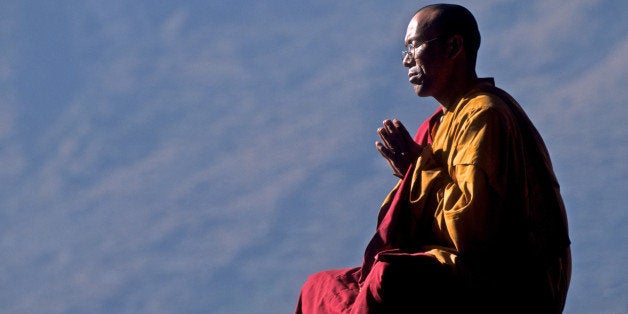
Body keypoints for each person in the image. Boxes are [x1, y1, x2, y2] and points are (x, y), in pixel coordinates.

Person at [295, 3, 571, 313]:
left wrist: (419, 169)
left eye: (413, 46)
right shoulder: (440, 123)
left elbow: (470, 227)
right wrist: (412, 174)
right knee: (321, 286)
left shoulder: (484, 115)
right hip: (458, 268)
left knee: (388, 278)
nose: (406, 60)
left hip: (505, 282)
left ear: (454, 46)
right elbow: (414, 222)